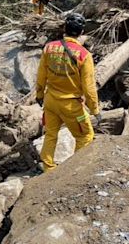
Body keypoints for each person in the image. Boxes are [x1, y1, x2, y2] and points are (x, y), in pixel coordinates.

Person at [36, 13, 101, 172]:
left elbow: (41, 76)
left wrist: (39, 96)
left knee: (51, 135)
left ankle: (48, 169)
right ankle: (75, 171)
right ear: (81, 32)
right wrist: (95, 110)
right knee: (85, 135)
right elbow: (89, 87)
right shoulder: (84, 55)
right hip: (72, 107)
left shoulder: (49, 48)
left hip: (50, 102)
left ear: (64, 29)